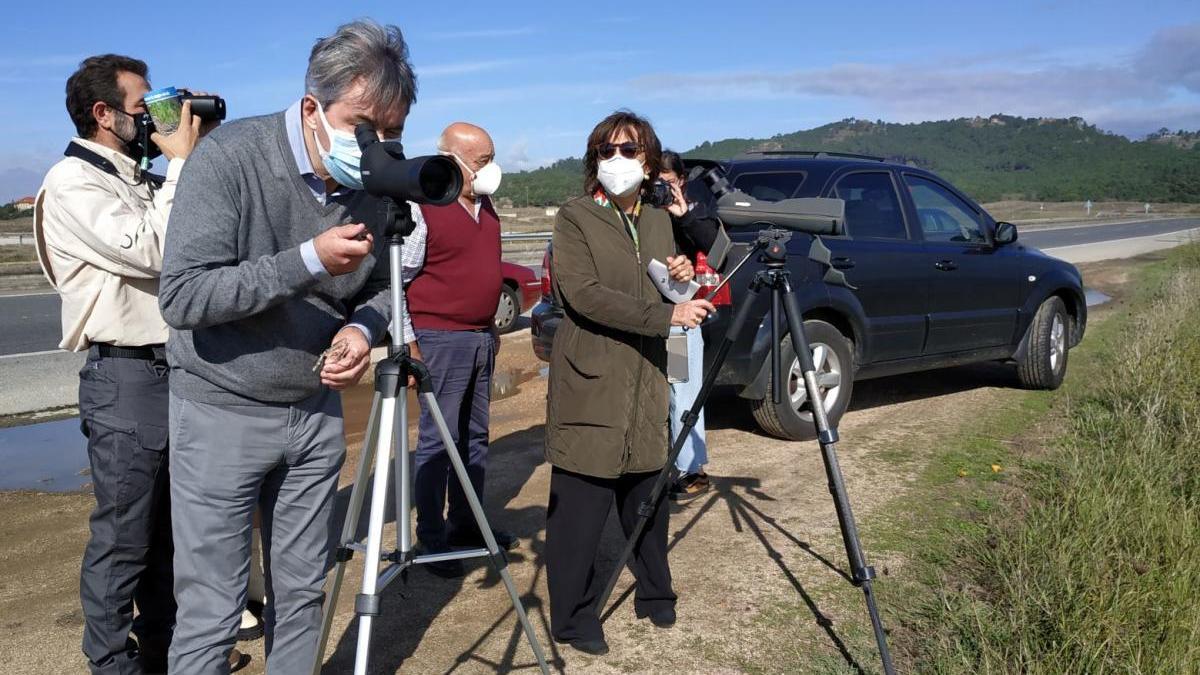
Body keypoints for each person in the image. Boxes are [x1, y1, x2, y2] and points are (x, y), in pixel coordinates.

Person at [157, 20, 418, 673]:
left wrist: (363, 330)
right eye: (363, 125)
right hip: (221, 409)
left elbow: (386, 287)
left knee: (301, 595)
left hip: (315, 414)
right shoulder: (229, 159)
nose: (376, 146)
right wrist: (306, 259)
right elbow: (183, 297)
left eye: (392, 132)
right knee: (212, 612)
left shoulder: (372, 185)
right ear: (311, 108)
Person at [33, 53, 219, 674]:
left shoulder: (142, 178)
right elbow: (158, 250)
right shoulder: (72, 182)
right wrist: (183, 162)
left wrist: (199, 160)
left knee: (170, 537)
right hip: (124, 376)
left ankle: (164, 653)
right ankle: (112, 662)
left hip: (175, 371)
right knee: (124, 539)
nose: (157, 121)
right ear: (103, 114)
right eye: (146, 109)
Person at [544, 110, 715, 656]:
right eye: (608, 150)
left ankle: (654, 589)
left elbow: (665, 283)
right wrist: (666, 318)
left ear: (649, 160)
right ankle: (572, 616)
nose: (618, 160)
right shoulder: (575, 217)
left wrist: (681, 283)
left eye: (631, 150)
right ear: (594, 159)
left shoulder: (659, 220)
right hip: (593, 377)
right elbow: (583, 294)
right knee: (581, 507)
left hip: (646, 377)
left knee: (648, 495)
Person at [405, 122, 515, 578]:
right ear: (453, 160)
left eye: (491, 157)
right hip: (438, 339)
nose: (491, 169)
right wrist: (410, 345)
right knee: (439, 440)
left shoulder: (485, 206)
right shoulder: (423, 206)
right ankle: (430, 538)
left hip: (478, 336)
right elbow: (399, 281)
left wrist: (489, 328)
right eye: (483, 161)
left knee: (473, 437)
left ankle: (466, 523)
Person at [659, 150, 724, 501]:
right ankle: (664, 465)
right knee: (660, 396)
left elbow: (714, 245)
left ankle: (690, 470)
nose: (659, 190)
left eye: (667, 183)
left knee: (682, 392)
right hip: (648, 317)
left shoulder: (693, 210)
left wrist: (683, 214)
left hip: (680, 320)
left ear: (681, 182)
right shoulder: (637, 210)